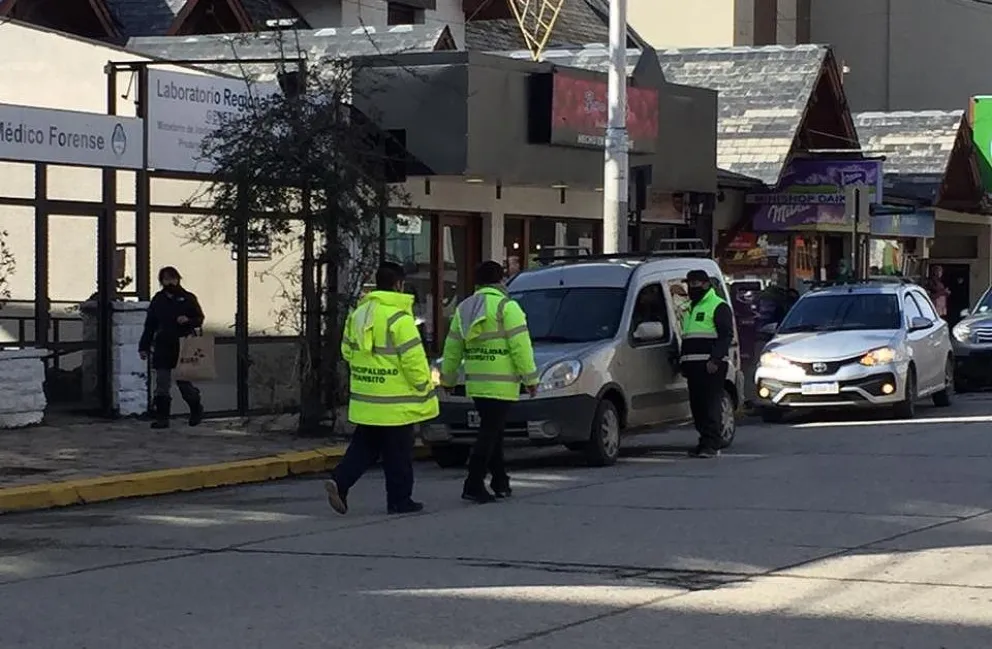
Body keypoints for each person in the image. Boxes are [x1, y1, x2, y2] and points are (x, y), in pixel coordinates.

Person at [324, 262, 437, 516]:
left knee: (364, 447)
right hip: (396, 402)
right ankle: (399, 500)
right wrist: (423, 386)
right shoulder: (399, 318)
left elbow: (347, 352)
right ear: (399, 284)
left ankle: (340, 482)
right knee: (398, 453)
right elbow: (413, 360)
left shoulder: (359, 315)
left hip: (367, 399)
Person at [440, 261, 539, 503]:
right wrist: (530, 379)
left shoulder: (464, 308)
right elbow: (521, 348)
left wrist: (449, 378)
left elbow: (452, 347)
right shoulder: (507, 307)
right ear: (501, 280)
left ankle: (500, 481)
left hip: (477, 383)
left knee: (494, 431)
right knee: (490, 433)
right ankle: (473, 482)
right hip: (502, 383)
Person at [138, 266, 205, 429]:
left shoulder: (188, 298)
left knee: (183, 382)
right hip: (162, 345)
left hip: (183, 344)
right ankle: (162, 418)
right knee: (161, 383)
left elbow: (199, 318)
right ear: (161, 281)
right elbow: (150, 325)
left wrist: (188, 320)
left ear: (178, 279)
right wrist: (144, 346)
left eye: (173, 278)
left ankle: (196, 407)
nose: (170, 282)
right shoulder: (158, 300)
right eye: (166, 279)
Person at [679, 270, 734, 458]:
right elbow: (687, 337)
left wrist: (715, 359)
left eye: (694, 284)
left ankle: (711, 444)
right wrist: (682, 362)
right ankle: (704, 441)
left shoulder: (718, 305)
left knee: (711, 405)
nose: (691, 288)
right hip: (693, 366)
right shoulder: (690, 307)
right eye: (689, 284)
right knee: (698, 406)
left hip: (711, 366)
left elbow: (726, 335)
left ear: (705, 284)